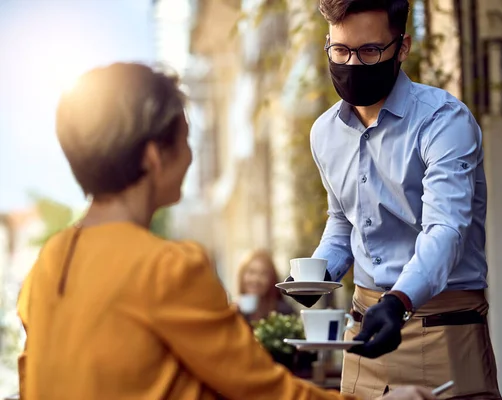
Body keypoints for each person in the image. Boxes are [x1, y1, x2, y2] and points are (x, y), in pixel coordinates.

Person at [16, 62, 437, 400]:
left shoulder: (49, 261)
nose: (191, 154)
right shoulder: (167, 269)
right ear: (153, 157)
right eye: (184, 138)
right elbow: (261, 390)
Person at [287, 1, 502, 399]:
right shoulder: (324, 133)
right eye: (340, 51)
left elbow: (447, 230)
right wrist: (319, 275)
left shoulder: (444, 121)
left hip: (442, 330)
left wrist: (399, 300)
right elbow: (343, 221)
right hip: (362, 332)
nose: (352, 63)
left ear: (401, 47)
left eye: (369, 51)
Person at [236, 249, 295, 322]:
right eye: (251, 272)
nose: (256, 279)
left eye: (263, 274)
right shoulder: (233, 313)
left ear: (272, 279)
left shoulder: (284, 313)